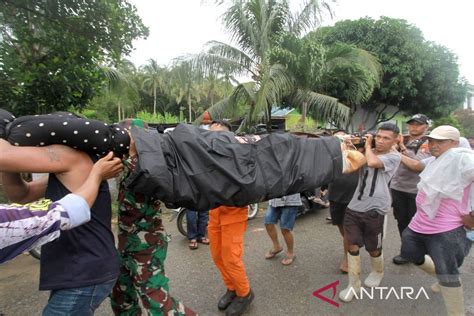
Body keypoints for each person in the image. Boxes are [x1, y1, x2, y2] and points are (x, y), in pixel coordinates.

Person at [1, 140, 121, 315]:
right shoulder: (63, 172)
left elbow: (3, 156)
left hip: (84, 270)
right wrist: (10, 168)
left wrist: (7, 137)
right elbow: (23, 195)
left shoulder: (72, 157)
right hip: (72, 269)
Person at [110, 119, 196, 315]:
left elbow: (149, 182)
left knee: (156, 302)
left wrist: (134, 153)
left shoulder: (151, 166)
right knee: (120, 297)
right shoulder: (123, 161)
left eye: (127, 135)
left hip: (145, 245)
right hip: (125, 241)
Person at [0, 148, 123, 264]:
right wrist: (8, 166)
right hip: (65, 263)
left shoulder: (74, 160)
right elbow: (23, 195)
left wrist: (97, 175)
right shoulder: (68, 171)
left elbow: (70, 211)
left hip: (82, 267)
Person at [399, 125, 473, 316]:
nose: (433, 144)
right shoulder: (434, 161)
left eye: (440, 141)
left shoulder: (463, 158)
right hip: (419, 224)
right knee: (410, 253)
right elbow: (416, 167)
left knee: (448, 273)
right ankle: (443, 274)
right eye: (431, 140)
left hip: (447, 229)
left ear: (454, 143)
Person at [339, 123, 401, 302]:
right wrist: (348, 145)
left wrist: (367, 146)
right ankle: (353, 284)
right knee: (352, 245)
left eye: (386, 138)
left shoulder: (394, 157)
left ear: (395, 140)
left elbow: (373, 162)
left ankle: (377, 271)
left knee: (373, 248)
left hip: (376, 208)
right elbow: (348, 166)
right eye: (379, 137)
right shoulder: (366, 151)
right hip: (354, 205)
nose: (380, 141)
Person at [207, 120, 254, 316]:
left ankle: (244, 293)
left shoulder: (239, 156)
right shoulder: (207, 156)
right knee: (217, 256)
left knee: (231, 257)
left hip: (234, 213)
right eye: (210, 134)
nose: (212, 138)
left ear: (229, 137)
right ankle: (232, 288)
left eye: (218, 134)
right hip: (215, 212)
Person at [390, 114, 431, 265]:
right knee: (401, 221)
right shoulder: (404, 139)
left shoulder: (427, 142)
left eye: (418, 124)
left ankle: (420, 252)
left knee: (416, 223)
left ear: (426, 127)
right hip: (398, 187)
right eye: (411, 124)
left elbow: (417, 164)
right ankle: (407, 251)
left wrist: (400, 148)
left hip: (416, 189)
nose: (413, 127)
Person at [327, 131, 359, 273]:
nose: (341, 140)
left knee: (347, 229)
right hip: (334, 195)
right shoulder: (329, 154)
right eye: (337, 138)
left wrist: (349, 145)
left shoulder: (357, 151)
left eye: (343, 137)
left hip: (352, 196)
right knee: (340, 226)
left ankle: (347, 257)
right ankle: (352, 243)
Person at [264, 193, 301, 265]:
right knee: (268, 222)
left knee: (285, 229)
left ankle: (290, 253)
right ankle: (277, 247)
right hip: (274, 199)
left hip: (290, 201)